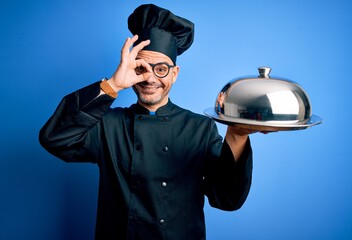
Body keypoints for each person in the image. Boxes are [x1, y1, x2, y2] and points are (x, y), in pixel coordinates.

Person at [39, 4, 253, 240]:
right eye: (141, 67)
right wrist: (113, 85)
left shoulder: (200, 128)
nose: (150, 78)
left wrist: (236, 135)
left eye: (161, 69)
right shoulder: (108, 124)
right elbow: (54, 139)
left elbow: (227, 198)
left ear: (175, 73)